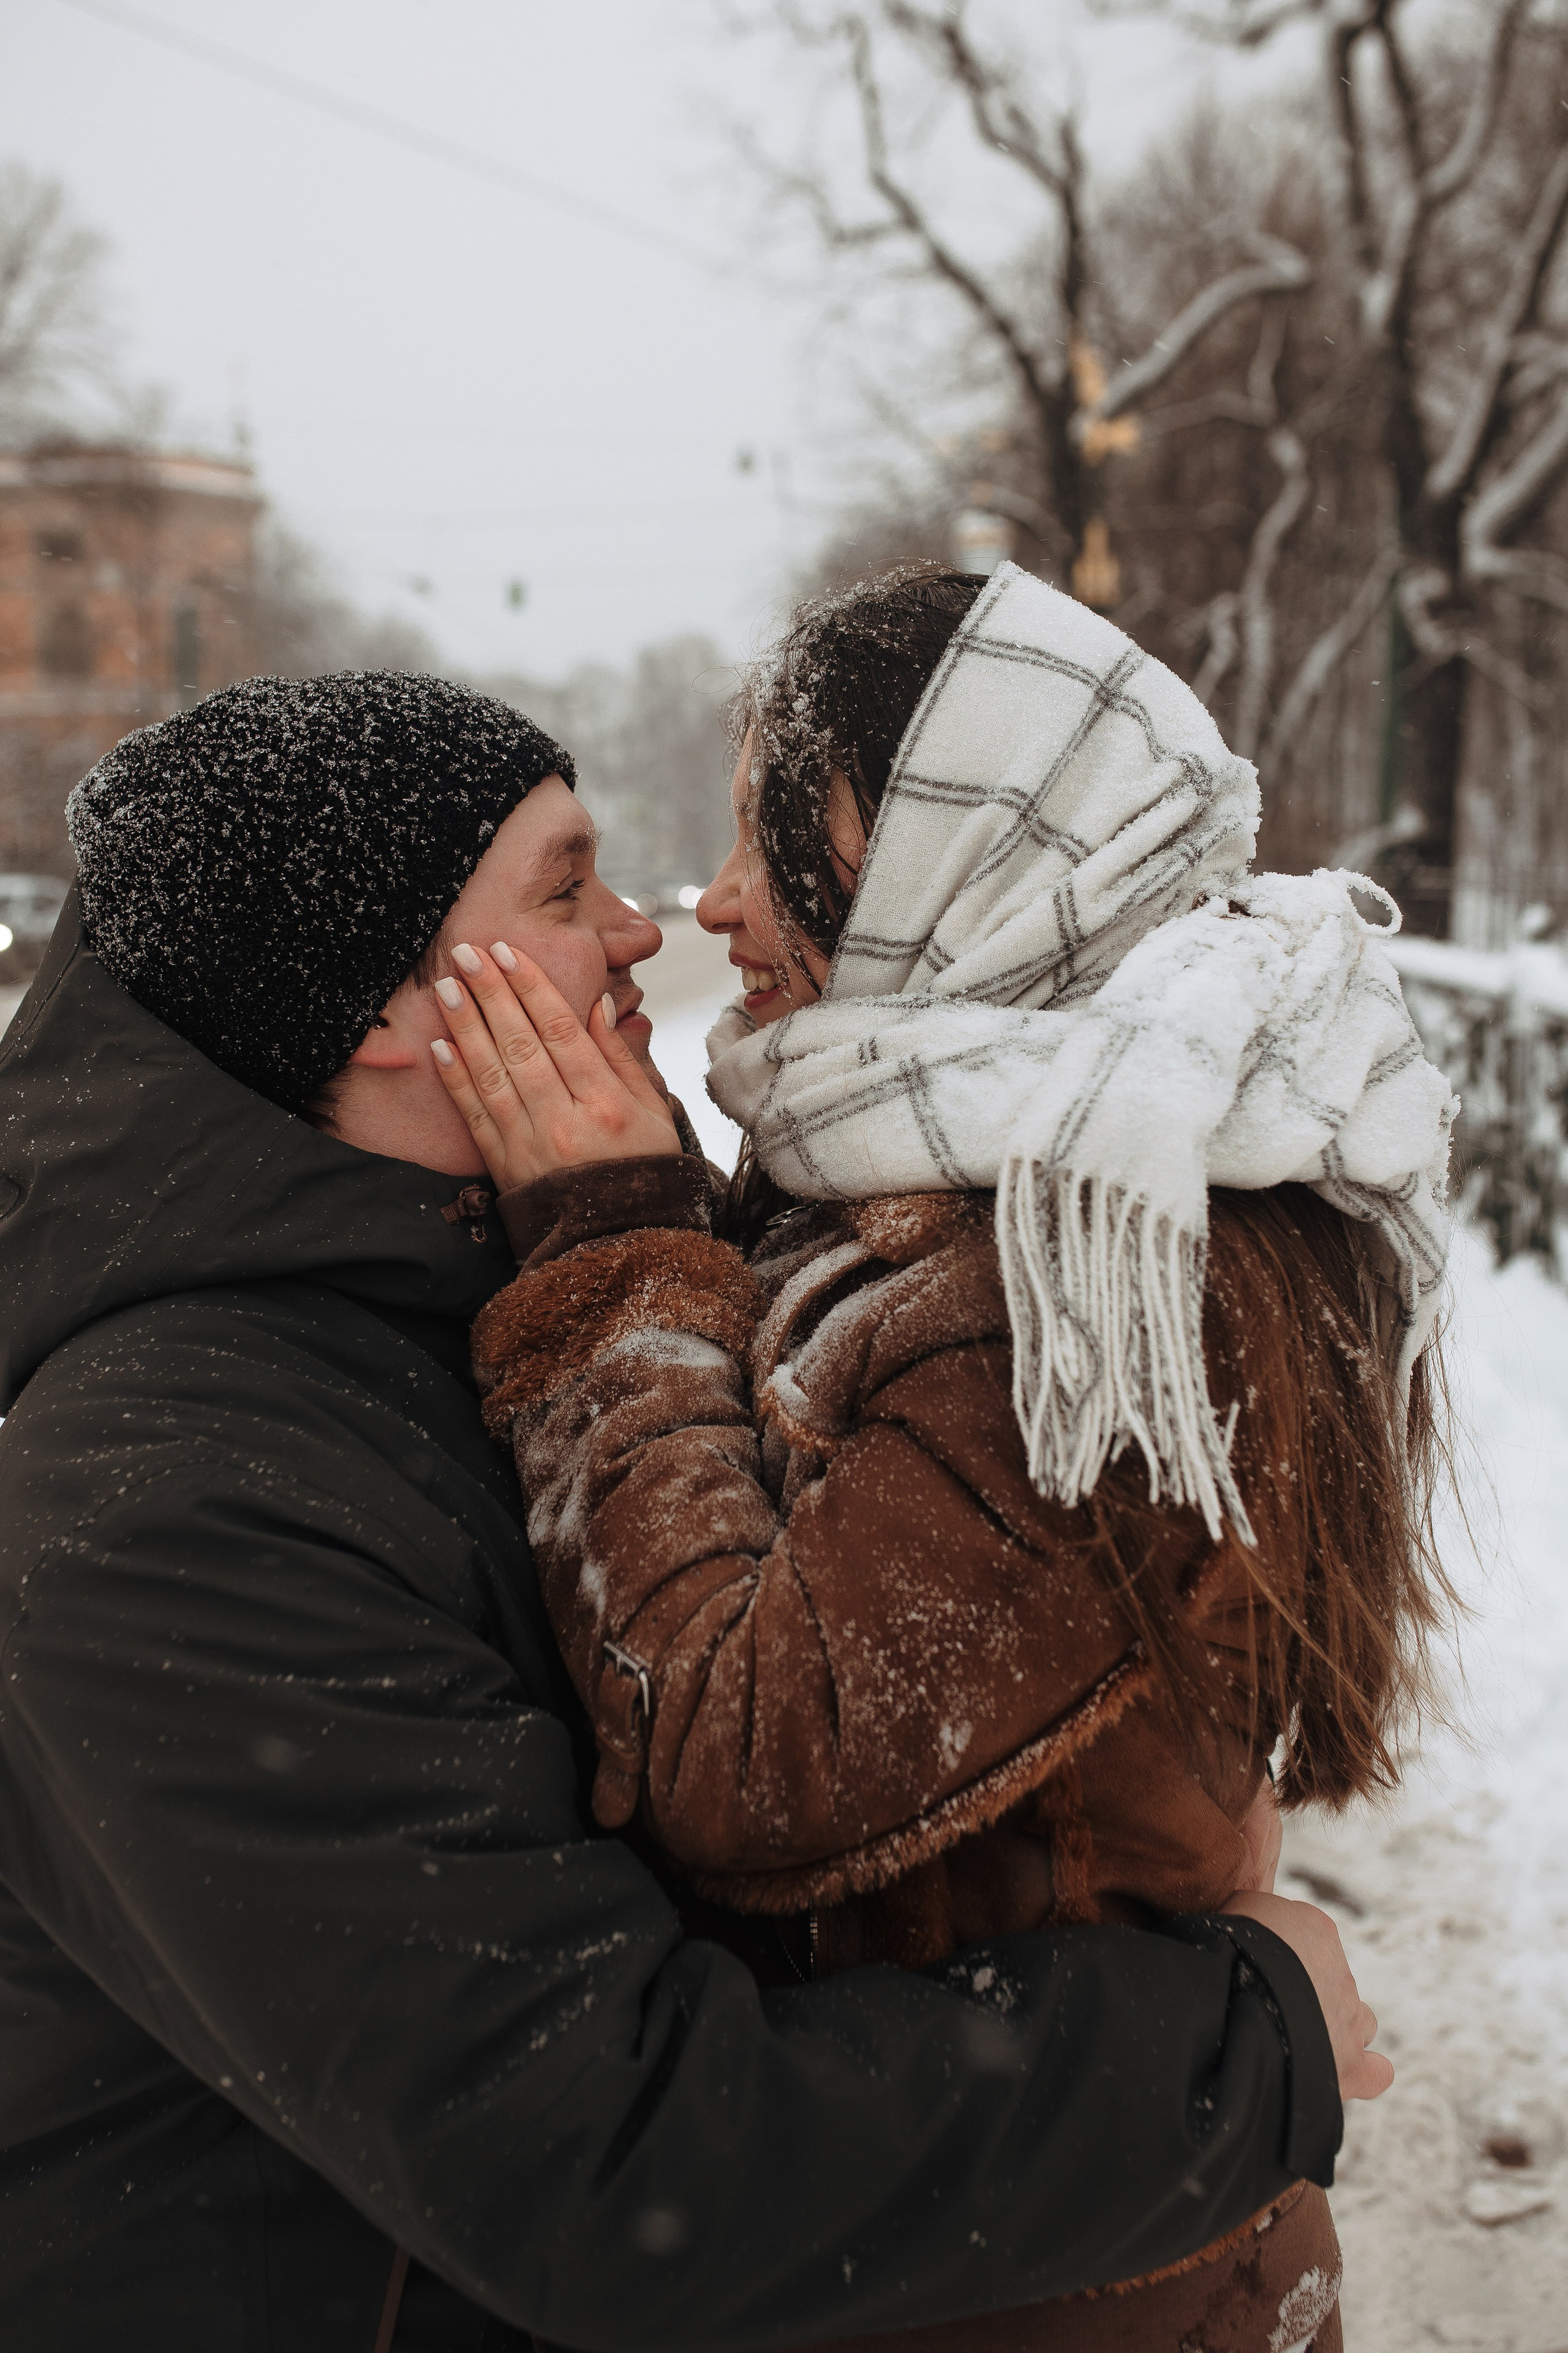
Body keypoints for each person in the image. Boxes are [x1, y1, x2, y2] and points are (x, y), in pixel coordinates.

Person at [0, 667, 1371, 2353]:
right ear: (385, 1003)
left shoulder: (468, 1272)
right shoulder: (165, 1492)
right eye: (569, 890)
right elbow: (606, 2150)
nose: (648, 930)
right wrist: (1243, 2047)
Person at [434, 567, 1451, 2350]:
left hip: (1051, 2280)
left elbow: (749, 1749)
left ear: (975, 860)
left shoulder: (1095, 1265)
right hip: (990, 2212)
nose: (713, 899)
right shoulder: (957, 1166)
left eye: (780, 837)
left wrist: (613, 1260)